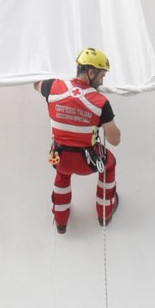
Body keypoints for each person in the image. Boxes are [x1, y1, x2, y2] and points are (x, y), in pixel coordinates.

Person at [34, 47, 120, 234]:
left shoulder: (53, 87)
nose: (102, 80)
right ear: (91, 72)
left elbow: (36, 84)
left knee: (62, 176)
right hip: (85, 162)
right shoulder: (100, 102)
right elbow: (115, 140)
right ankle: (104, 212)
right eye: (101, 76)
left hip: (58, 158)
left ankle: (60, 220)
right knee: (110, 164)